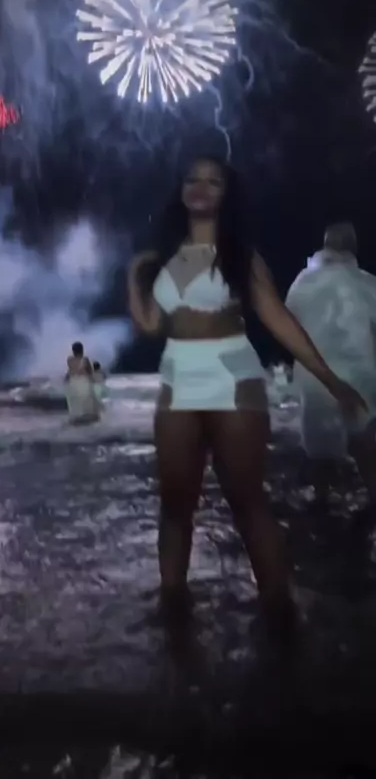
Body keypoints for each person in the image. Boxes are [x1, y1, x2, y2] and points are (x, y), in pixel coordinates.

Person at [127, 156, 366, 635]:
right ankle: (173, 611)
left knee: (246, 499)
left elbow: (279, 320)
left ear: (226, 195)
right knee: (175, 504)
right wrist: (135, 274)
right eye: (192, 179)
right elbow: (151, 325)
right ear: (181, 190)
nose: (200, 187)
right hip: (177, 377)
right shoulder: (163, 257)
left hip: (232, 376)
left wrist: (330, 379)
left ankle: (279, 612)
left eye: (213, 181)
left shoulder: (241, 256)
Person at [286, 222, 376, 500]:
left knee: (319, 445)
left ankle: (321, 498)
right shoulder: (367, 282)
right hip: (360, 373)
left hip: (317, 374)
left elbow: (289, 322)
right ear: (354, 248)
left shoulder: (303, 281)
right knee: (364, 440)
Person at [64, 342, 99, 423]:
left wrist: (66, 380)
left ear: (73, 351)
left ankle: (76, 416)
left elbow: (70, 371)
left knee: (75, 400)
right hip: (83, 381)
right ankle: (90, 415)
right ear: (82, 350)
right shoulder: (85, 359)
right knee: (88, 398)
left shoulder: (70, 360)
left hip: (73, 381)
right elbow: (89, 372)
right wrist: (94, 380)